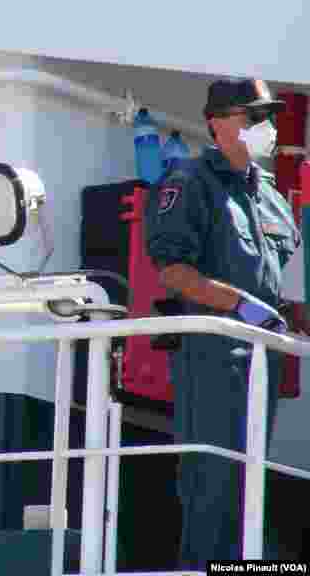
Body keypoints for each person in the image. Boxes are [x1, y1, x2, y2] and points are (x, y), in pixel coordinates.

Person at [146, 77, 302, 568]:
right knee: (212, 484)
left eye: (269, 117)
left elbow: (290, 288)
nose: (266, 127)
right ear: (216, 124)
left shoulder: (273, 198)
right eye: (253, 117)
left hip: (266, 360)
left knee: (252, 482)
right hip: (212, 356)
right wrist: (241, 306)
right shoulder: (187, 182)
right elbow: (173, 270)